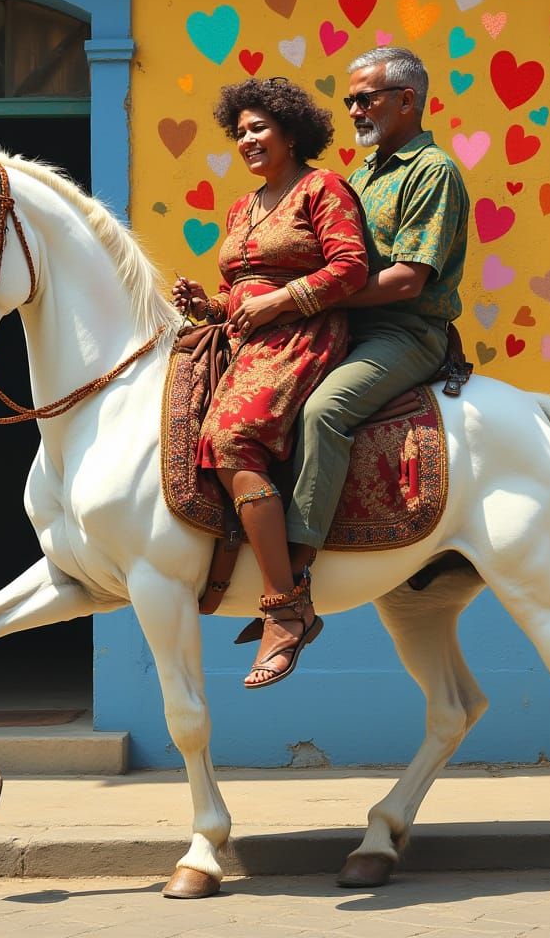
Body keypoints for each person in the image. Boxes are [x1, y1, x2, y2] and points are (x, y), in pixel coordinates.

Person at [173, 77, 369, 689]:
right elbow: (237, 292)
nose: (248, 140)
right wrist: (207, 304)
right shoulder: (242, 206)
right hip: (245, 340)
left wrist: (281, 301)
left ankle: (285, 609)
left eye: (259, 128)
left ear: (291, 132)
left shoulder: (322, 187)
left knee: (230, 439)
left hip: (302, 336)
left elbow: (351, 267)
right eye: (240, 132)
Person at [284, 47, 470, 582]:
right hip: (344, 325)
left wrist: (313, 297)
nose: (354, 111)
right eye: (349, 101)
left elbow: (407, 279)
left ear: (406, 100)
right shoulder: (361, 175)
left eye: (365, 99)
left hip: (405, 331)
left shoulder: (433, 172)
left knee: (324, 411)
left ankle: (294, 576)